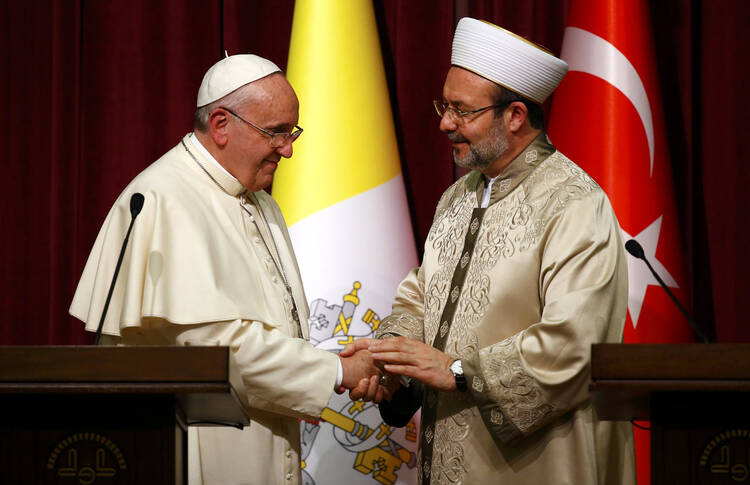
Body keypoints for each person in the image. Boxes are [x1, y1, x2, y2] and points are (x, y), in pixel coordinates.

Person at [344, 17, 636, 485]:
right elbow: (421, 297)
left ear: (515, 115)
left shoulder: (575, 203)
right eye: (444, 104)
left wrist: (458, 370)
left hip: (537, 461)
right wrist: (389, 360)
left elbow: (574, 344)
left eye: (462, 110)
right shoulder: (458, 197)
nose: (444, 123)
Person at [70, 54, 381, 485]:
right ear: (220, 124)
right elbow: (216, 348)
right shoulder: (166, 198)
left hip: (264, 431)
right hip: (198, 445)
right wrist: (337, 370)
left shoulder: (258, 199)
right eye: (275, 133)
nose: (288, 149)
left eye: (292, 133)